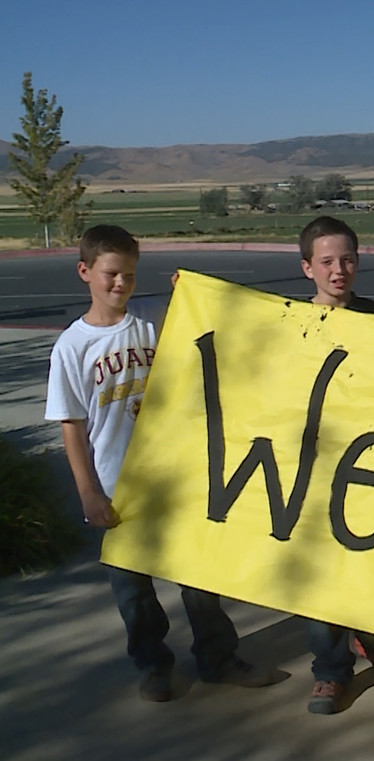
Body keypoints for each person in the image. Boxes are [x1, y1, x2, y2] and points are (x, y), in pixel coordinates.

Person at [45, 225, 281, 702]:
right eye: (111, 274)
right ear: (85, 271)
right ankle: (153, 665)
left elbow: (206, 326)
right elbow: (71, 425)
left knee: (198, 577)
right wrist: (89, 491)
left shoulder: (153, 319)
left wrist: (190, 293)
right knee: (133, 590)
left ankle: (218, 658)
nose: (120, 284)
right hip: (117, 484)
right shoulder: (72, 347)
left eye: (130, 275)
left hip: (178, 478)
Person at [298, 216, 374, 714]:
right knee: (319, 570)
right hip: (308, 464)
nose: (338, 270)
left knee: (369, 556)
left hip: (366, 463)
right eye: (326, 262)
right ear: (307, 268)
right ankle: (330, 670)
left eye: (347, 260)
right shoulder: (287, 320)